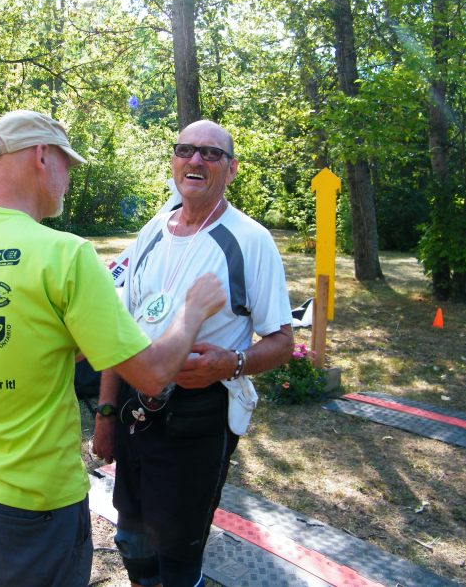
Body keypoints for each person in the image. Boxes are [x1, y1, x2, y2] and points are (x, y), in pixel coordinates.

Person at [0, 110, 227, 587]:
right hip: (34, 503)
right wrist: (193, 310)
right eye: (67, 164)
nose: (67, 179)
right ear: (43, 156)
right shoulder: (65, 253)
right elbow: (150, 376)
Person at [93, 120, 295, 587]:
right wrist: (105, 414)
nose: (196, 160)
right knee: (131, 537)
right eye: (186, 150)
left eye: (211, 154)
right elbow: (118, 331)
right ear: (173, 161)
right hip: (133, 408)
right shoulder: (151, 232)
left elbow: (283, 341)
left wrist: (233, 363)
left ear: (232, 169)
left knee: (179, 550)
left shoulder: (248, 240)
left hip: (197, 415)